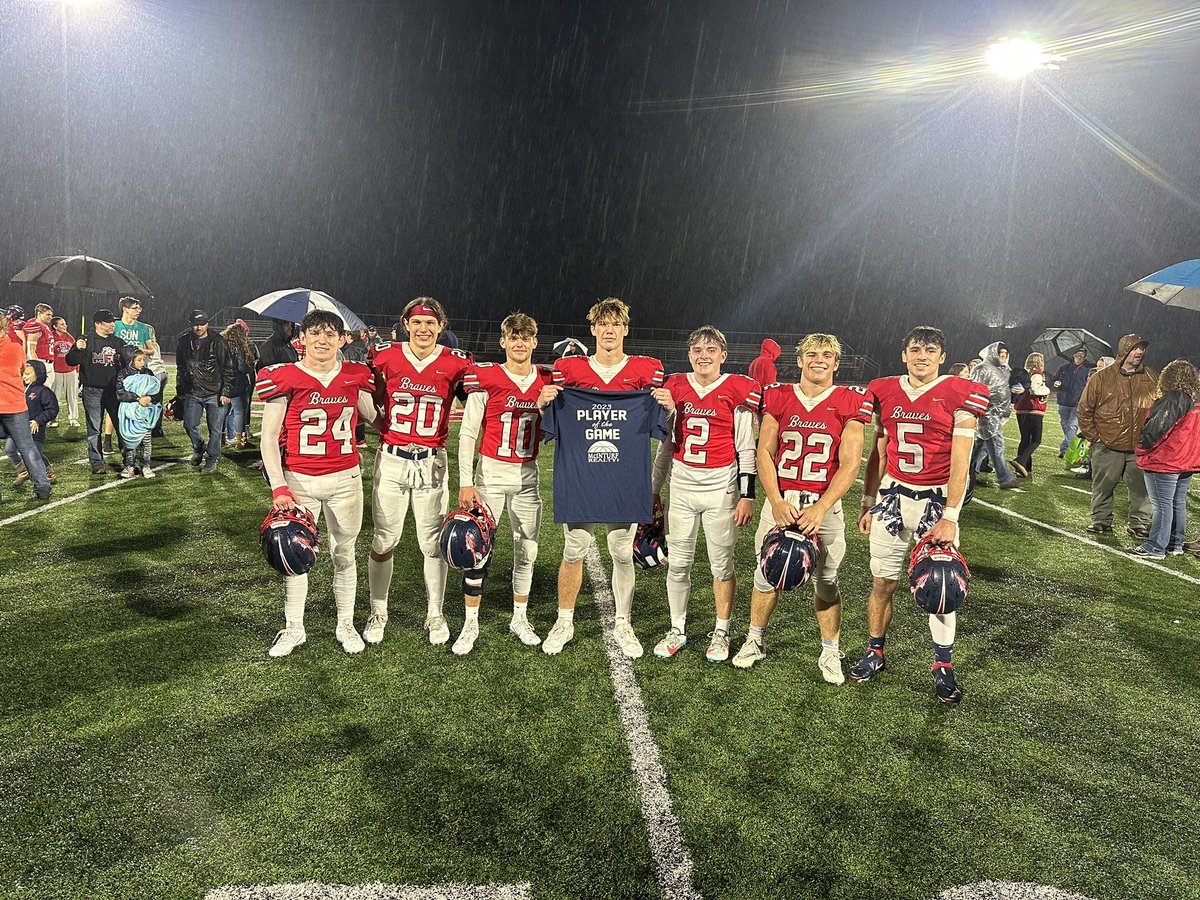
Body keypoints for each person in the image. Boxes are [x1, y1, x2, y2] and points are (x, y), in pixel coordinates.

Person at [852, 326, 989, 704]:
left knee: (943, 586)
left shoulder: (959, 393)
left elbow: (960, 463)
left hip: (935, 503)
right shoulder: (884, 390)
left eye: (930, 350)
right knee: (882, 582)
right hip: (892, 497)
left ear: (942, 357)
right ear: (904, 355)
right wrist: (867, 501)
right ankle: (875, 650)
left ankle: (943, 665)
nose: (922, 355)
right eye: (915, 349)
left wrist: (952, 516)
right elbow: (878, 451)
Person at [730, 334, 873, 682]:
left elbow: (850, 463)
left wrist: (822, 508)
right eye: (811, 354)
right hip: (782, 502)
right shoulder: (778, 395)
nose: (819, 360)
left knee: (826, 580)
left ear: (836, 363)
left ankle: (829, 650)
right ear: (799, 360)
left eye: (827, 355)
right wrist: (776, 501)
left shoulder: (849, 401)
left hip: (823, 509)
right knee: (766, 574)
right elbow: (765, 452)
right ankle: (755, 640)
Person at [537, 297, 669, 658]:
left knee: (621, 553)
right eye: (602, 324)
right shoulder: (569, 370)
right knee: (574, 549)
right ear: (593, 329)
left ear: (625, 329)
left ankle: (623, 622)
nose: (609, 330)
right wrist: (543, 402)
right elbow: (547, 420)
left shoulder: (646, 371)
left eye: (616, 324)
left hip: (624, 477)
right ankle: (564, 621)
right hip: (581, 475)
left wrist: (667, 407)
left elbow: (664, 426)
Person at [257, 310, 379, 657]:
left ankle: (345, 622)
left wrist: (408, 427)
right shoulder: (285, 376)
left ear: (342, 340)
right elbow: (268, 439)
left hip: (345, 477)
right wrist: (279, 486)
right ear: (302, 339)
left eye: (330, 334)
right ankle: (294, 626)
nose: (322, 340)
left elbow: (374, 416)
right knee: (295, 555)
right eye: (315, 333)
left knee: (345, 553)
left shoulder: (355, 375)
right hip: (299, 480)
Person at [648, 326, 759, 663]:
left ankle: (721, 631)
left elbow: (746, 449)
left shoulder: (737, 389)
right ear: (689, 354)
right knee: (678, 564)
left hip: (720, 489)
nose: (703, 355)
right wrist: (654, 489)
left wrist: (747, 495)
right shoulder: (676, 386)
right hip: (681, 486)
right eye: (697, 349)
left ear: (723, 356)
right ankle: (677, 629)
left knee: (721, 567)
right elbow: (666, 445)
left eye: (711, 349)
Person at [366, 298, 473, 646]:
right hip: (393, 457)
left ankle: (435, 613)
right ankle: (378, 611)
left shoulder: (456, 362)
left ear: (441, 326)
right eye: (417, 323)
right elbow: (371, 399)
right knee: (384, 540)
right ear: (405, 325)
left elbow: (474, 406)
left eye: (430, 323)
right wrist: (379, 422)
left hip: (432, 460)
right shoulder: (385, 356)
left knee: (432, 544)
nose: (424, 329)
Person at [453, 312, 555, 654]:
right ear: (503, 342)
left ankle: (519, 617)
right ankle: (470, 624)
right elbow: (468, 433)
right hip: (491, 475)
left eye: (525, 337)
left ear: (534, 342)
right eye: (514, 337)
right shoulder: (487, 377)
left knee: (527, 549)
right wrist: (466, 482)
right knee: (477, 550)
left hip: (528, 475)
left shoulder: (546, 380)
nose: (520, 343)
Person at [1076, 334, 1157, 537]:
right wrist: (1095, 437)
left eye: (1142, 348)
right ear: (1124, 351)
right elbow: (1085, 410)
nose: (1139, 352)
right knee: (1103, 486)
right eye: (1135, 348)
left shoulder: (1151, 377)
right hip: (1107, 444)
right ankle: (1101, 520)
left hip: (1139, 445)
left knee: (1141, 489)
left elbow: (1160, 408)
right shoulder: (1101, 378)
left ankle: (1138, 523)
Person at [1127, 360, 1200, 559]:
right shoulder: (1194, 400)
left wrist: (1140, 448)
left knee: (1162, 505)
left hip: (1166, 460)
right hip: (1186, 461)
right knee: (1177, 503)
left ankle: (1155, 546)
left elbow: (1157, 428)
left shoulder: (1174, 398)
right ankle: (1174, 544)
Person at [65, 308, 127, 475]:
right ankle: (97, 462)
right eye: (109, 322)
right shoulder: (85, 340)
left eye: (113, 322)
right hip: (92, 390)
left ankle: (128, 459)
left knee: (121, 425)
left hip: (114, 391)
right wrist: (78, 349)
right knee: (94, 429)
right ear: (98, 324)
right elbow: (70, 361)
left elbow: (127, 364)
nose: (113, 325)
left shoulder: (118, 342)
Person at [0, 308, 52, 501]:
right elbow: (23, 370)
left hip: (9, 404)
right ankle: (43, 488)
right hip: (14, 405)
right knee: (28, 448)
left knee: (25, 448)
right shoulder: (14, 348)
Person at [968, 341, 1019, 493]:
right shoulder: (981, 368)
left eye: (1005, 354)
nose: (1002, 357)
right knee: (997, 446)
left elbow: (1007, 388)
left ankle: (969, 473)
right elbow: (974, 389)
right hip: (987, 414)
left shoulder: (1005, 369)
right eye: (1000, 354)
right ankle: (1005, 479)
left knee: (982, 448)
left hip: (999, 413)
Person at [5, 360, 59, 490]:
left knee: (35, 453)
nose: (24, 376)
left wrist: (38, 421)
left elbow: (52, 409)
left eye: (27, 374)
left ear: (38, 374)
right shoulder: (19, 389)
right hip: (17, 427)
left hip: (35, 429)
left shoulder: (43, 391)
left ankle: (47, 471)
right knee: (9, 449)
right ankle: (23, 470)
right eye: (22, 373)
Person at [114, 345, 162, 479]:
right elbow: (120, 393)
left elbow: (157, 392)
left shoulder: (148, 373)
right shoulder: (123, 373)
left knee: (146, 441)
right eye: (139, 360)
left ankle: (146, 465)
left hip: (145, 413)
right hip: (129, 414)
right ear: (129, 360)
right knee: (130, 442)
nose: (142, 362)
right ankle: (129, 466)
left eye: (143, 360)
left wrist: (150, 398)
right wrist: (136, 398)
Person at [1009, 352, 1051, 478]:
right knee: (1036, 440)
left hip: (1022, 409)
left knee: (1025, 439)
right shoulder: (1036, 374)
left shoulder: (1024, 374)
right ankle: (1021, 461)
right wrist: (1047, 389)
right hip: (1033, 409)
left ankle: (1024, 467)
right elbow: (1035, 389)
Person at [221, 322, 258, 449]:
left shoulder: (221, 345)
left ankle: (221, 439)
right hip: (238, 383)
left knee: (223, 412)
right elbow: (243, 367)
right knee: (239, 412)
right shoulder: (240, 347)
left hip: (223, 384)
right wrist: (250, 365)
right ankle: (240, 441)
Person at [1051, 347, 1092, 456]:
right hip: (1064, 401)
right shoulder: (1064, 368)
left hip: (1078, 402)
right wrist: (1056, 382)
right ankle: (1069, 445)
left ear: (1085, 357)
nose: (1079, 357)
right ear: (1073, 355)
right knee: (1065, 425)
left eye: (1082, 355)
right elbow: (1055, 379)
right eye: (1077, 354)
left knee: (1073, 426)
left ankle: (1065, 449)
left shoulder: (1088, 370)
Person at [49, 317, 79, 427]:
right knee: (54, 396)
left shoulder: (70, 338)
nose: (65, 326)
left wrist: (77, 370)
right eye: (62, 324)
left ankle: (73, 418)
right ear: (55, 326)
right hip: (56, 370)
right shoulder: (50, 336)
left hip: (70, 370)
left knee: (72, 396)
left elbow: (75, 355)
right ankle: (53, 418)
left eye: (65, 323)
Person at [22, 303, 56, 390]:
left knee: (45, 393)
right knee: (36, 393)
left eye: (51, 315)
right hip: (41, 361)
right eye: (48, 314)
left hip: (49, 362)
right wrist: (37, 366)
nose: (50, 317)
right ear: (39, 313)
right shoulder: (35, 327)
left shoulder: (46, 326)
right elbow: (31, 350)